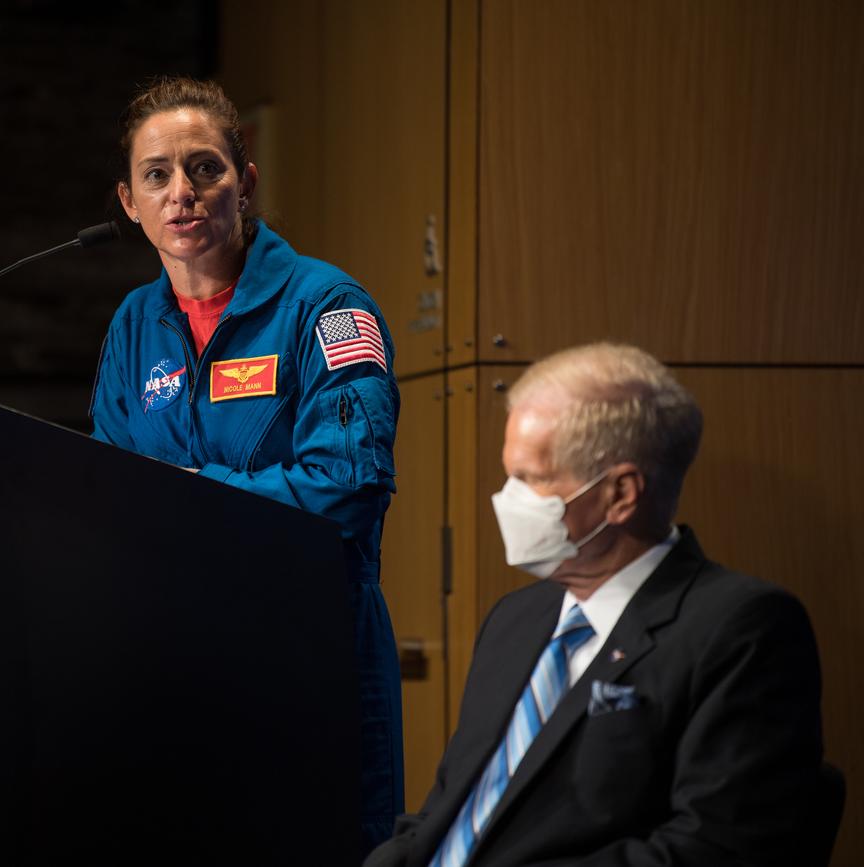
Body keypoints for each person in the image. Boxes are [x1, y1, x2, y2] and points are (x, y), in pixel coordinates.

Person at [89, 75, 403, 854]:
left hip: (309, 660)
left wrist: (198, 498)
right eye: (156, 175)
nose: (182, 193)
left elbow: (349, 487)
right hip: (172, 664)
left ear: (246, 183)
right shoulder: (133, 325)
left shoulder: (326, 306)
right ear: (129, 201)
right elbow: (101, 496)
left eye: (205, 168)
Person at [366, 342, 823, 867]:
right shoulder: (515, 620)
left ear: (620, 494)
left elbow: (712, 849)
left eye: (531, 480)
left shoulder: (743, 629)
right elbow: (446, 814)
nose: (506, 499)